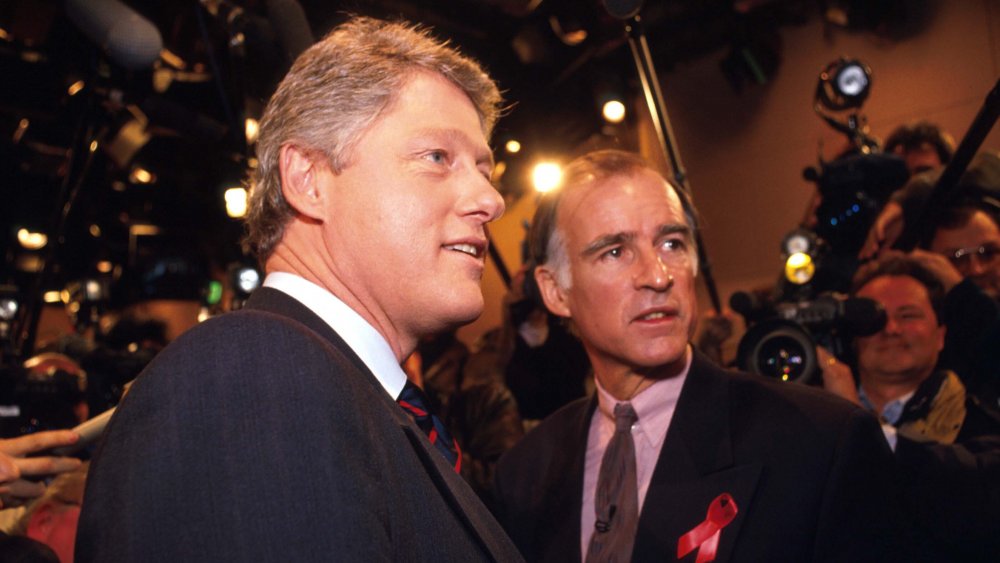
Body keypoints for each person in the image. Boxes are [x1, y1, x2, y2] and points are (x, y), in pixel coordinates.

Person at [76, 17, 522, 562]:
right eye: (437, 158)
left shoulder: (339, 393)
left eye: (484, 168)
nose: (490, 198)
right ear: (308, 180)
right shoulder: (252, 376)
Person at [492, 149, 908, 562]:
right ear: (555, 290)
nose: (658, 275)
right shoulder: (524, 474)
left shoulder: (822, 442)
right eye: (614, 252)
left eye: (671, 243)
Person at [818, 253, 1000, 559]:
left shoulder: (985, 425)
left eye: (908, 315)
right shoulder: (811, 419)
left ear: (942, 335)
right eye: (872, 317)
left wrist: (855, 425)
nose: (890, 329)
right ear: (852, 338)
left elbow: (968, 504)